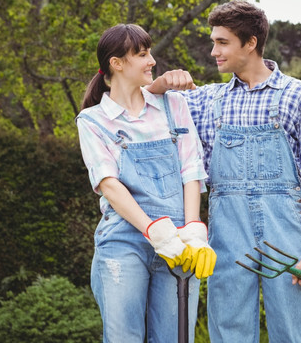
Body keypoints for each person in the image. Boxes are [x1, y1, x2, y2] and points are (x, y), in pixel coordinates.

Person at [148, 0, 301, 342]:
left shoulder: (298, 95)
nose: (213, 51)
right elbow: (137, 107)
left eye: (222, 42)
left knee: (293, 333)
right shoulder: (207, 100)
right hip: (227, 237)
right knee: (228, 333)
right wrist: (159, 85)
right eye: (214, 41)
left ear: (250, 43)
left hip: (286, 236)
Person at [76, 23, 216, 343]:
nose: (152, 60)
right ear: (117, 63)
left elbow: (191, 169)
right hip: (125, 239)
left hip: (179, 240)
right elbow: (109, 184)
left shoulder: (173, 105)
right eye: (142, 54)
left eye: (150, 52)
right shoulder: (93, 121)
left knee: (174, 337)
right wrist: (153, 230)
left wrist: (192, 228)